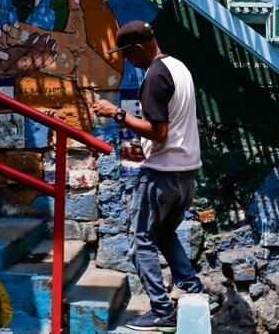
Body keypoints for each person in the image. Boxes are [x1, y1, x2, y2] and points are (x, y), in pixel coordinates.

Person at [91, 20, 209, 332]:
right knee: (164, 232)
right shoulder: (178, 67)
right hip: (186, 172)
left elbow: (159, 133)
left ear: (140, 48)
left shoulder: (155, 76)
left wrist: (116, 113)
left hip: (162, 172)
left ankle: (161, 311)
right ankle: (191, 285)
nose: (127, 60)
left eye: (128, 54)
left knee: (139, 240)